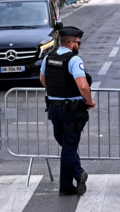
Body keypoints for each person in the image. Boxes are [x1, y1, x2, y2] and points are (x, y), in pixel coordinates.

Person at [40, 26, 95, 196]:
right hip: (71, 109)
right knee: (69, 147)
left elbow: (43, 80)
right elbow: (83, 85)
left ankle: (78, 173)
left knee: (64, 142)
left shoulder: (48, 58)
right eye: (78, 42)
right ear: (71, 43)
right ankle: (66, 184)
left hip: (54, 107)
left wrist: (57, 92)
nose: (80, 45)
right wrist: (89, 101)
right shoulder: (74, 60)